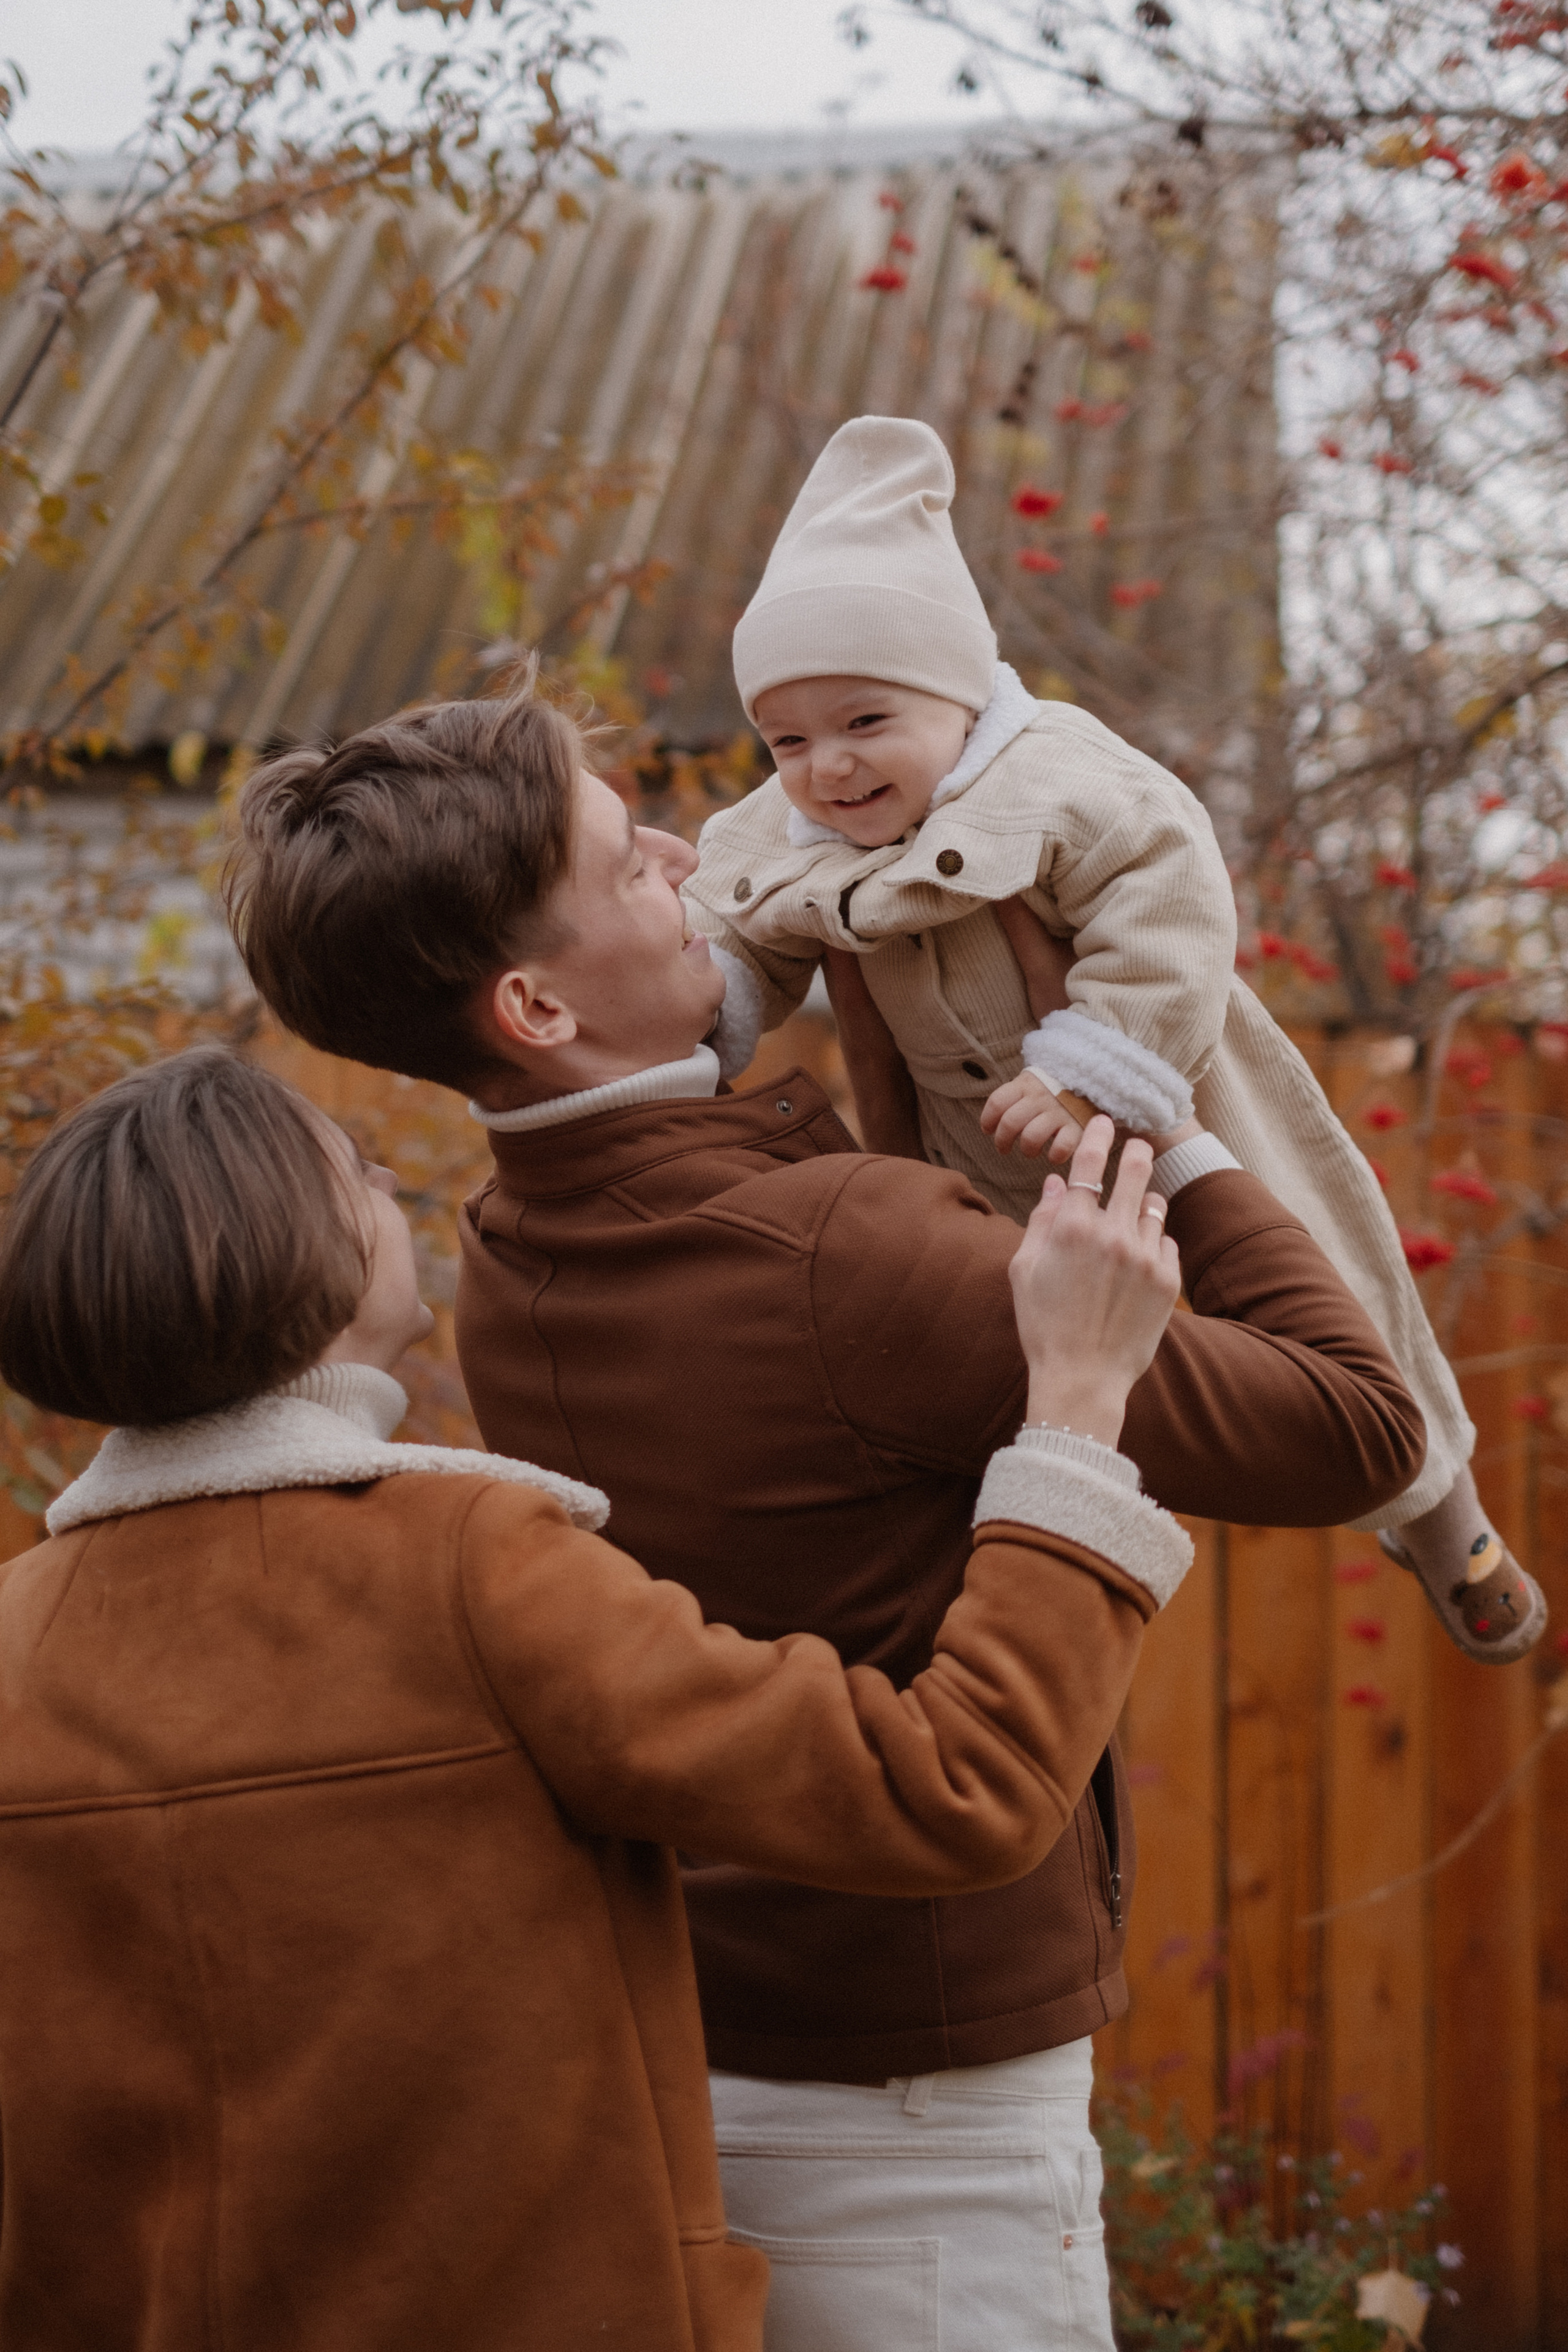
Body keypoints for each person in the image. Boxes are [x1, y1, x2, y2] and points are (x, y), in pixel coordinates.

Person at [226, 686, 1425, 2352]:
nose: (678, 854)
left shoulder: (510, 1247)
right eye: (624, 862)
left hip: (704, 2045)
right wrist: (1167, 1100)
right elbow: (1363, 1428)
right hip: (923, 2139)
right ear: (534, 1003)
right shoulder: (850, 1257)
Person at [0, 1044, 1191, 2352]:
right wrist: (1077, 1404)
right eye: (357, 1171)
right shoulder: (467, 1568)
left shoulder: (20, 1646)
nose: (393, 1179)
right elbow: (948, 1789)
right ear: (286, 1247)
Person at [682, 413, 1544, 1669]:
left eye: (865, 723)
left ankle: (1440, 1517)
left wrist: (1097, 1063)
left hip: (1162, 1098)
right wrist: (704, 1007)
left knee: (1330, 1294)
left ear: (956, 693)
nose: (825, 768)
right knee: (1059, 1366)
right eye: (789, 739)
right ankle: (1062, 1544)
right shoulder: (787, 827)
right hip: (973, 1152)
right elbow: (736, 932)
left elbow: (1169, 898)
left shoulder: (1056, 772)